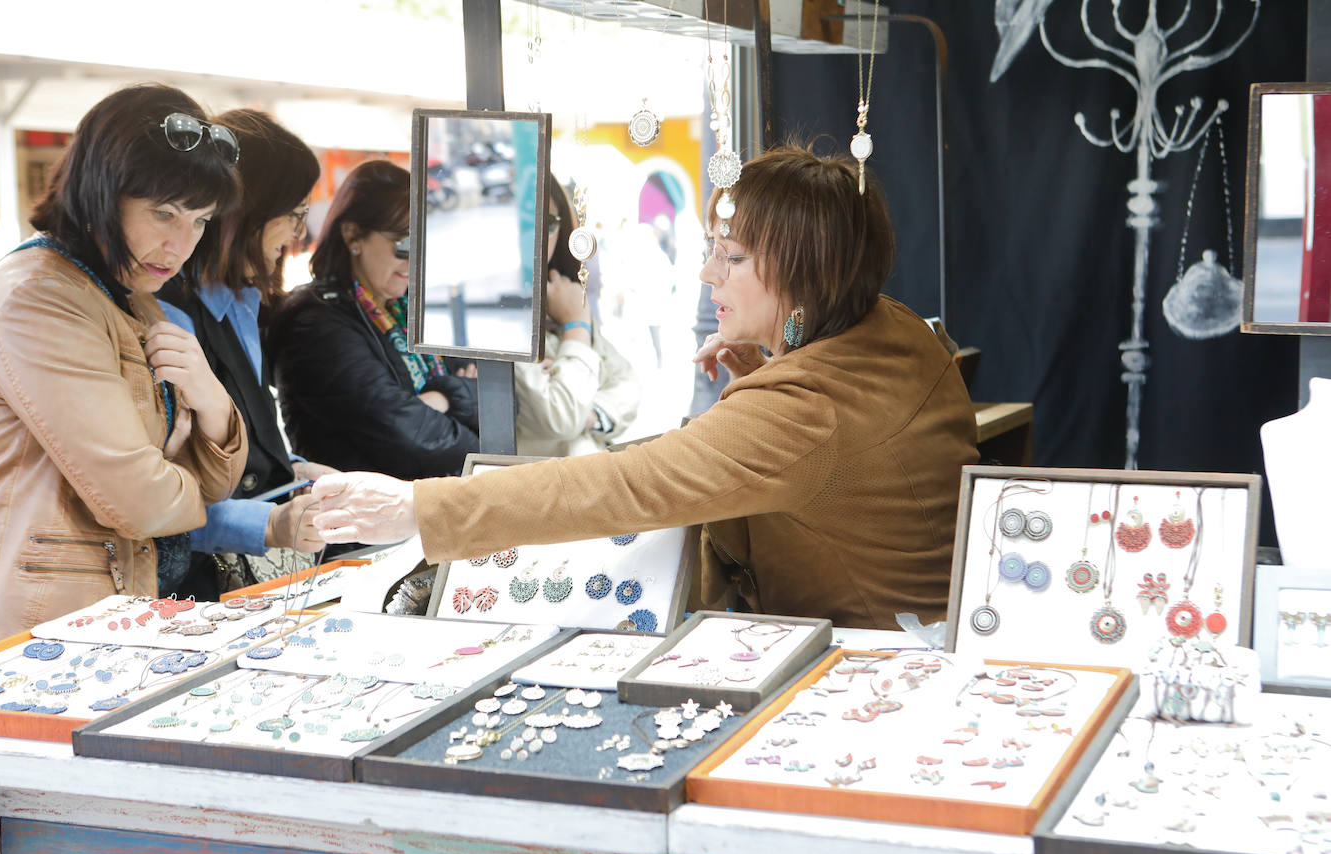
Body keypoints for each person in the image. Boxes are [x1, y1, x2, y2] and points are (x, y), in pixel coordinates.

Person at [309, 145, 979, 629]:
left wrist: (419, 509)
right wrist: (773, 358)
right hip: (920, 627)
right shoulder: (894, 326)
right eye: (713, 249)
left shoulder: (808, 405)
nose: (710, 275)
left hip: (874, 656)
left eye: (733, 257)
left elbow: (628, 484)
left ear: (807, 270)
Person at [0, 84, 248, 650]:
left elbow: (212, 483)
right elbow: (138, 499)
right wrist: (176, 475)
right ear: (100, 193)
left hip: (108, 614)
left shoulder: (130, 294)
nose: (180, 243)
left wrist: (210, 397)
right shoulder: (40, 297)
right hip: (33, 630)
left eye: (200, 221)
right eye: (162, 212)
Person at [157, 110, 332, 600]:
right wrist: (271, 522)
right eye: (295, 214)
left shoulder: (237, 301)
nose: (299, 234)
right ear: (250, 211)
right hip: (198, 589)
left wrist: (291, 467)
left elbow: (241, 439)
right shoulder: (168, 316)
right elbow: (160, 491)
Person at [267, 159, 480, 478]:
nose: (416, 260)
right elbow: (411, 440)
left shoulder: (407, 309)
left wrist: (443, 398)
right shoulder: (314, 323)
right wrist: (462, 394)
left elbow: (500, 404)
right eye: (405, 244)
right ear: (353, 236)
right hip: (354, 517)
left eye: (424, 243)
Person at [516, 174, 639, 456]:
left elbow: (628, 382)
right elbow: (562, 417)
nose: (536, 234)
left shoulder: (563, 293)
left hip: (589, 482)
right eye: (524, 221)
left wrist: (592, 413)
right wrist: (575, 327)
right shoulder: (498, 317)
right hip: (537, 489)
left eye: (547, 223)